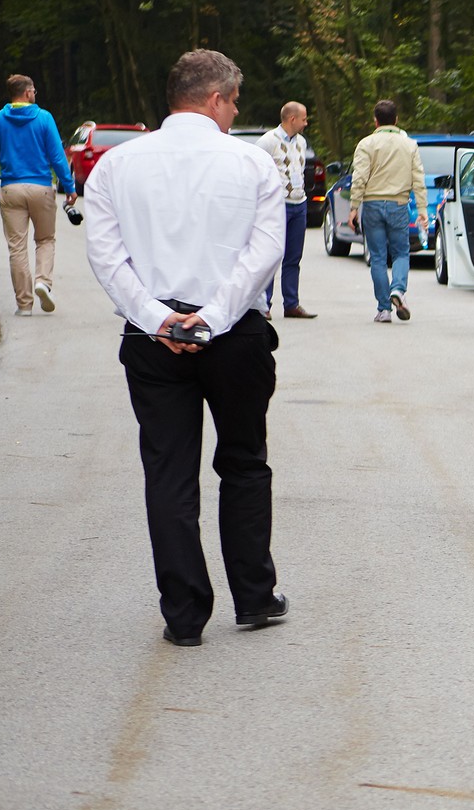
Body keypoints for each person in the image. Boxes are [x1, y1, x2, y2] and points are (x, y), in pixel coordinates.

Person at [82, 49, 289, 647]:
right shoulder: (252, 163)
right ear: (216, 99)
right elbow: (265, 251)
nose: (236, 112)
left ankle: (184, 613)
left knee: (169, 472)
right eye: (234, 102)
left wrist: (157, 319)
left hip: (153, 339)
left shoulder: (115, 166)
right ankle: (254, 596)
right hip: (234, 334)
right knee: (244, 462)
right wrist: (212, 318)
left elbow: (105, 255)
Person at [0, 74, 79, 315]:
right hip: (41, 188)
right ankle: (43, 282)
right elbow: (57, 156)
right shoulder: (44, 118)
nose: (35, 93)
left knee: (17, 247)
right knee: (45, 240)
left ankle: (24, 304)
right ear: (27, 93)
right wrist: (69, 186)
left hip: (11, 189)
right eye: (33, 90)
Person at [348, 99, 425, 322]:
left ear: (375, 121)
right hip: (398, 204)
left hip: (372, 204)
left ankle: (384, 310)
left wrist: (354, 207)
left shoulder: (366, 144)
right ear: (396, 119)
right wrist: (422, 208)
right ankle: (398, 289)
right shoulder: (409, 145)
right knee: (401, 252)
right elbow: (418, 178)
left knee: (378, 258)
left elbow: (359, 178)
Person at [258, 101, 317, 319]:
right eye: (304, 119)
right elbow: (257, 170)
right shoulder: (268, 141)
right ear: (292, 119)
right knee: (272, 255)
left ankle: (291, 304)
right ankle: (263, 304)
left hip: (298, 203)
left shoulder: (301, 141)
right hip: (277, 204)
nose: (306, 123)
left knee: (294, 256)